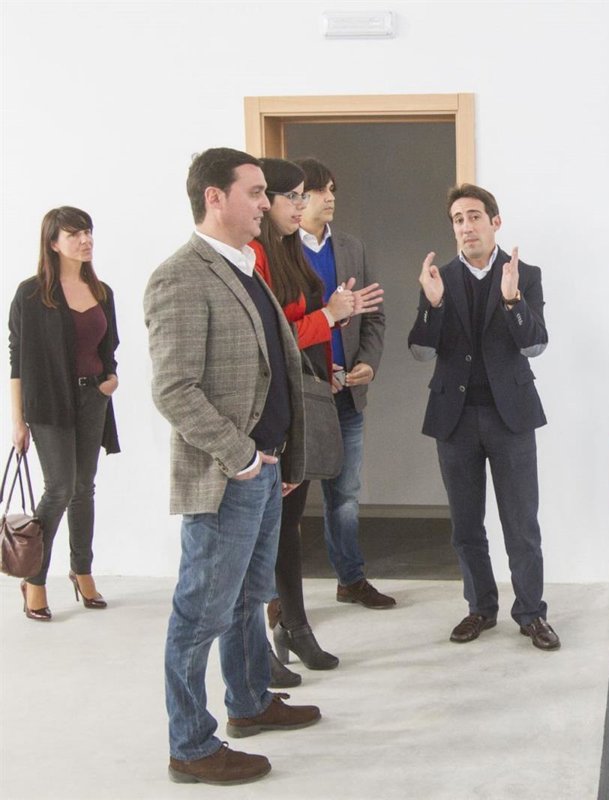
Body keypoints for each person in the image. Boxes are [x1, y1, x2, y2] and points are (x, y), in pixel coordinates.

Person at [145, 147, 320, 786]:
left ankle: (248, 702)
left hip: (265, 469)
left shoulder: (244, 267)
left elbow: (273, 368)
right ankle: (190, 746)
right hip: (227, 475)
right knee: (200, 614)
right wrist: (242, 454)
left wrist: (281, 455)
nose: (266, 204)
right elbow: (174, 389)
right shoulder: (181, 276)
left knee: (249, 597)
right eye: (255, 192)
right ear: (214, 197)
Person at [407, 183, 559, 651]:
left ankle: (531, 613)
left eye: (474, 216)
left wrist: (513, 302)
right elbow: (420, 351)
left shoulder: (525, 274)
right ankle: (480, 607)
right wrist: (433, 306)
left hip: (510, 417)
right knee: (466, 525)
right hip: (454, 420)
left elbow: (535, 344)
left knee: (521, 524)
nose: (466, 226)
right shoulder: (439, 278)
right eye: (458, 219)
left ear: (495, 222)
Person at [249, 158, 383, 686]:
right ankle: (271, 635)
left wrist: (333, 346)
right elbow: (277, 337)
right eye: (296, 196)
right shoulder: (256, 254)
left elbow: (302, 332)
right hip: (271, 412)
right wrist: (329, 315)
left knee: (287, 525)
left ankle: (295, 626)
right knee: (265, 532)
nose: (304, 204)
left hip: (304, 402)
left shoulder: (288, 253)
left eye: (309, 194)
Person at [8, 206, 119, 620]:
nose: (85, 240)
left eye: (88, 232)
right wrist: (18, 421)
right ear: (53, 243)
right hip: (49, 404)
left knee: (84, 487)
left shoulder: (102, 291)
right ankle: (34, 579)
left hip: (93, 398)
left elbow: (109, 347)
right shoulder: (31, 294)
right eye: (74, 234)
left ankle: (82, 570)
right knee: (59, 488)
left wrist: (111, 378)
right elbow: (17, 360)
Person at [293, 157, 392, 609]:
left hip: (347, 395)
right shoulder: (276, 250)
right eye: (319, 189)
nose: (329, 197)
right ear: (297, 197)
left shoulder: (352, 247)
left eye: (332, 189)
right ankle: (280, 594)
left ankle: (350, 579)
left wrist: (368, 363)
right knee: (287, 501)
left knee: (346, 496)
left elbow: (374, 317)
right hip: (299, 396)